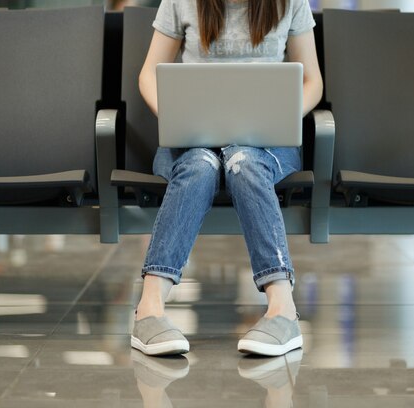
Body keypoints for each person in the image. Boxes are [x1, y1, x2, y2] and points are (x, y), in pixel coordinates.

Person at [131, 0, 323, 357]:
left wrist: (281, 114)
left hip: (264, 144)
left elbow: (313, 81)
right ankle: (149, 308)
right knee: (202, 164)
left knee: (243, 161)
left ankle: (283, 309)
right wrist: (176, 116)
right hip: (192, 141)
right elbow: (148, 74)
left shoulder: (291, 2)